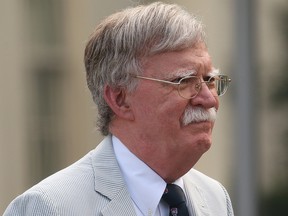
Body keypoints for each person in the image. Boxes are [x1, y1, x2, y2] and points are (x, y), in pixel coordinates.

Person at [4, 2, 234, 216]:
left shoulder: (214, 198)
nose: (208, 99)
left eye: (210, 80)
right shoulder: (48, 207)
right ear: (120, 99)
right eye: (183, 81)